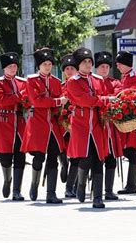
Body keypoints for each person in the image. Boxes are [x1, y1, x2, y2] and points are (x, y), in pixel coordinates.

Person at [66, 47, 113, 208]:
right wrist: (101, 101)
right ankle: (80, 184)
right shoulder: (73, 81)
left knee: (99, 160)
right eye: (84, 62)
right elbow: (83, 100)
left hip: (97, 123)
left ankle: (98, 198)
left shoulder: (98, 80)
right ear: (78, 64)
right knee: (85, 158)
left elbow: (102, 96)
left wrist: (104, 102)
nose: (87, 64)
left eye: (89, 61)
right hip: (81, 123)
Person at [21, 48, 66, 204]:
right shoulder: (31, 80)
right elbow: (36, 102)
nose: (47, 67)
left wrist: (58, 104)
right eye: (44, 64)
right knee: (39, 157)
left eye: (49, 64)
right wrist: (56, 101)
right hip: (38, 124)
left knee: (53, 156)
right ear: (38, 66)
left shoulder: (55, 81)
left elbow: (56, 104)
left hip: (52, 124)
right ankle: (34, 184)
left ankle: (51, 193)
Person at [0, 52, 28, 201]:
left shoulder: (22, 82)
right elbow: (2, 101)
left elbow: (27, 100)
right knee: (5, 157)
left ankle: (17, 190)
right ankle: (7, 179)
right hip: (5, 121)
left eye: (15, 66)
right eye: (10, 66)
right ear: (4, 68)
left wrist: (26, 100)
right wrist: (20, 96)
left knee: (20, 156)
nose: (13, 69)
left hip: (19, 121)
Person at [94, 51, 123, 200]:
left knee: (111, 157)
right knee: (96, 157)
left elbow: (118, 98)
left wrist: (103, 100)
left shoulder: (115, 82)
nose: (104, 69)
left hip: (111, 125)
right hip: (96, 124)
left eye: (106, 66)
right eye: (101, 66)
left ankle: (109, 190)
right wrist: (106, 99)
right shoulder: (92, 81)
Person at [115, 51, 136, 195]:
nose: (118, 66)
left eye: (119, 63)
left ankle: (131, 184)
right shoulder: (125, 76)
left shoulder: (135, 78)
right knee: (127, 149)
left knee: (132, 150)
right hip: (126, 118)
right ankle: (130, 184)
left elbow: (132, 96)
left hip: (133, 119)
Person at [58, 54, 78, 198]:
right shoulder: (60, 87)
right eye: (67, 69)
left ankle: (72, 187)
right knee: (63, 153)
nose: (70, 71)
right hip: (62, 125)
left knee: (77, 157)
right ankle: (64, 165)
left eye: (72, 68)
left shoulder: (81, 85)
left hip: (77, 125)